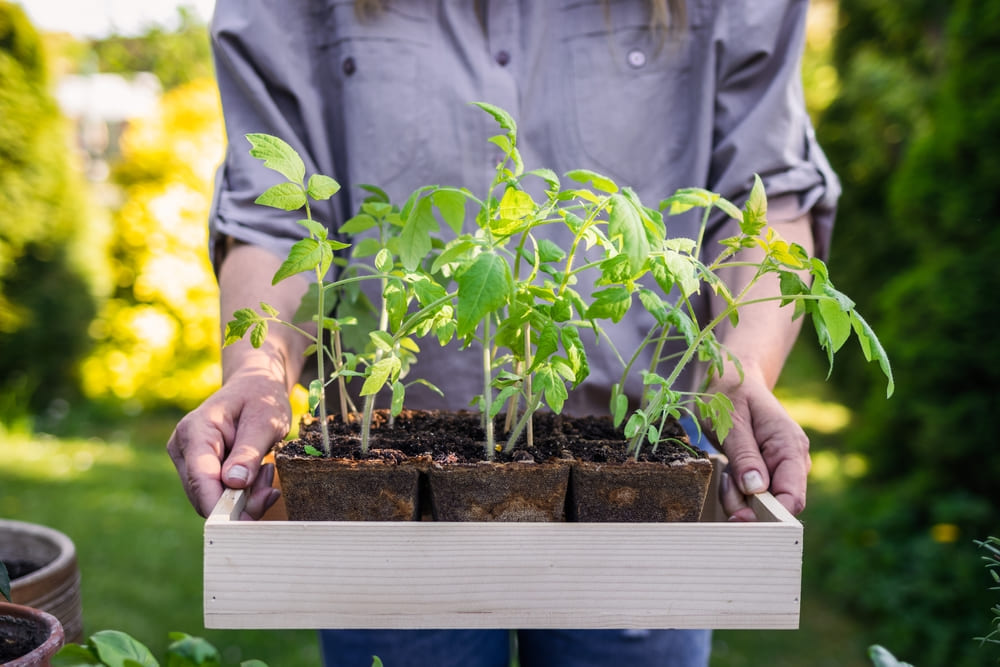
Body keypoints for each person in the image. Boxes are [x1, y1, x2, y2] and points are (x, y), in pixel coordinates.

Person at [168, 1, 838, 665]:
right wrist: (260, 369)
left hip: (639, 460)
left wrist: (741, 366)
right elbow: (271, 214)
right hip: (385, 495)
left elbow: (767, 195)